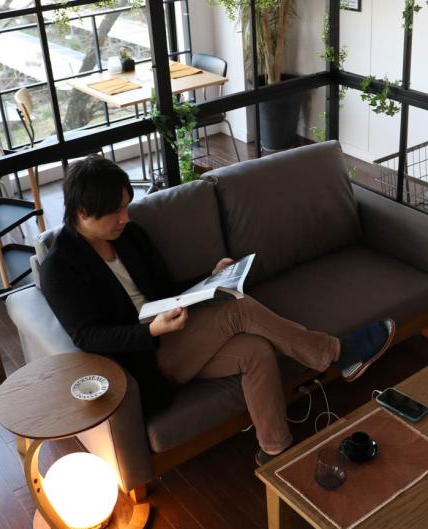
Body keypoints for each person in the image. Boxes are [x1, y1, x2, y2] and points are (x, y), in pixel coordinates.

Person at [40, 155, 395, 465]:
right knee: (238, 311)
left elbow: (166, 290)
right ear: (83, 212)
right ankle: (336, 353)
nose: (125, 217)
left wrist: (210, 278)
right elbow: (88, 336)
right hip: (144, 360)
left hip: (178, 335)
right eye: (116, 211)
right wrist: (151, 330)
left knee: (255, 350)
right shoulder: (60, 267)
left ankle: (275, 452)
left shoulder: (129, 236)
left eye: (126, 206)